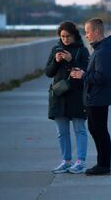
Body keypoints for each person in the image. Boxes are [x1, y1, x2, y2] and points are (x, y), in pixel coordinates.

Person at [70, 18, 111, 176]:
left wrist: (83, 75)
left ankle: (104, 165)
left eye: (88, 32)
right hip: (95, 97)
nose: (86, 35)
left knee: (100, 131)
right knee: (96, 129)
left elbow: (102, 76)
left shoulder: (103, 51)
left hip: (98, 97)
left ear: (96, 31)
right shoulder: (100, 49)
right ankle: (103, 163)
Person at [46, 21, 90, 174]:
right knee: (62, 132)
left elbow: (86, 70)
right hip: (59, 95)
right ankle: (66, 161)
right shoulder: (55, 49)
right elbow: (48, 72)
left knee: (80, 129)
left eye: (68, 36)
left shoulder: (82, 50)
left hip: (77, 95)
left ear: (75, 35)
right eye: (62, 36)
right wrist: (56, 61)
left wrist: (72, 60)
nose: (65, 39)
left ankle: (80, 162)